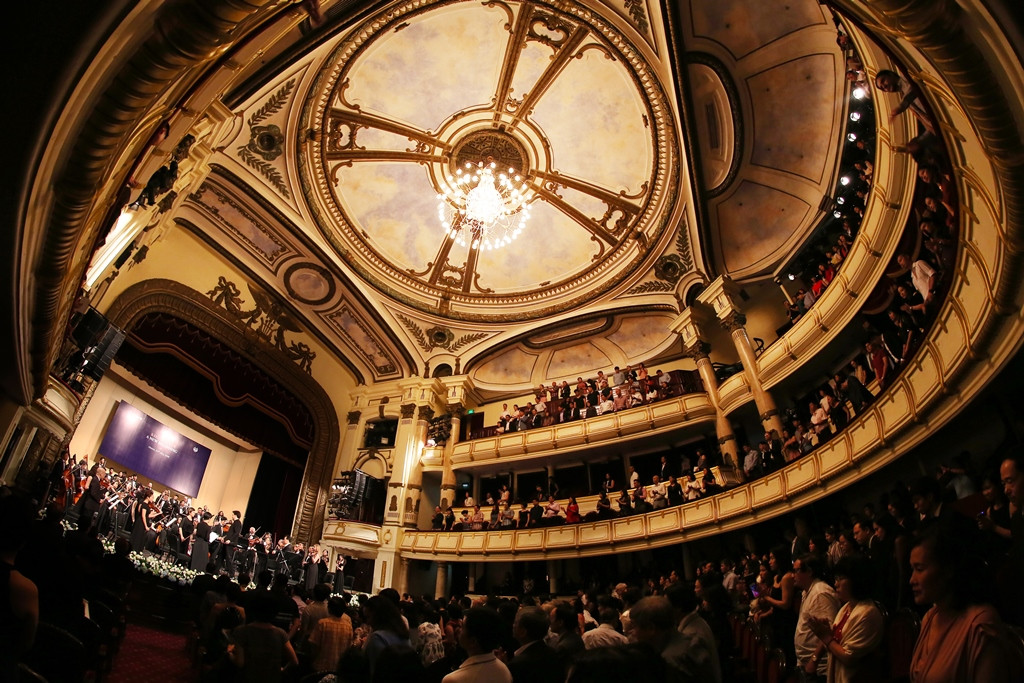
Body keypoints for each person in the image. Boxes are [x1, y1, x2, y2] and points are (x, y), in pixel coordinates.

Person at [908, 523, 1022, 682]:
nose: (912, 580)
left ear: (948, 570)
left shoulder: (980, 624)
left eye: (919, 569)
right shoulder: (929, 618)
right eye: (912, 569)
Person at [807, 555, 884, 683]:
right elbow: (836, 642)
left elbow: (849, 657)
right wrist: (827, 633)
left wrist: (826, 637)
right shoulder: (847, 607)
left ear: (856, 580)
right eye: (836, 578)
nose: (836, 583)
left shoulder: (868, 613)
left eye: (841, 578)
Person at [228, 590, 298, 682]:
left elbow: (240, 663)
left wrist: (229, 653)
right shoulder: (280, 633)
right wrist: (282, 669)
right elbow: (295, 661)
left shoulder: (241, 631)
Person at [794, 554, 840, 682]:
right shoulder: (807, 591)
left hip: (819, 669)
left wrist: (814, 659)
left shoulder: (820, 593)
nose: (793, 575)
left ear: (809, 571)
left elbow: (830, 629)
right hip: (808, 664)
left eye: (796, 571)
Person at [443, 607, 512, 682]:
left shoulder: (453, 679)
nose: (459, 630)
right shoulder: (504, 669)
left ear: (473, 641)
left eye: (462, 627)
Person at [506, 606, 562, 683]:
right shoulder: (553, 653)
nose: (513, 625)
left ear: (523, 632)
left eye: (515, 622)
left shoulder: (518, 665)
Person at [308, 595, 352, 672]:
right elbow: (348, 648)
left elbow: (314, 645)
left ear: (329, 609)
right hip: (338, 669)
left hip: (320, 666)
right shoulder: (348, 626)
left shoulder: (322, 623)